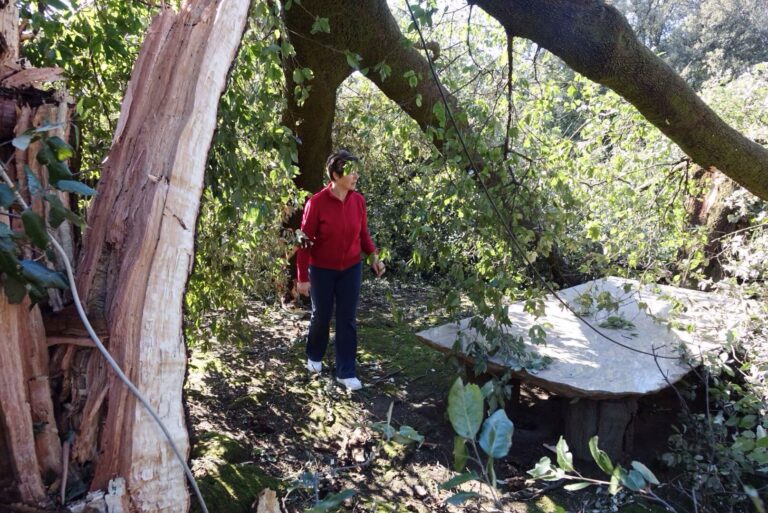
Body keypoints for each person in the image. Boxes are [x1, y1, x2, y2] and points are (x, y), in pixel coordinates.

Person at [295, 150, 385, 391]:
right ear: (335, 175)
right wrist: (302, 277)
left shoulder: (359, 201)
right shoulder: (316, 203)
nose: (355, 176)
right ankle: (314, 356)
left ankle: (346, 372)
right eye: (350, 172)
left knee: (347, 320)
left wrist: (373, 257)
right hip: (322, 270)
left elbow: (363, 234)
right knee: (321, 316)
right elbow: (304, 242)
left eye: (356, 171)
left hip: (351, 270)